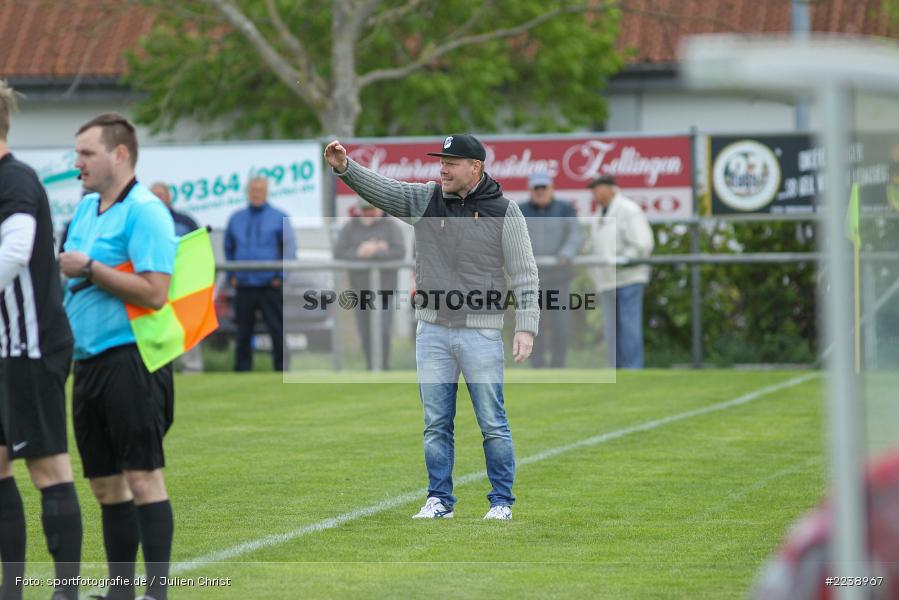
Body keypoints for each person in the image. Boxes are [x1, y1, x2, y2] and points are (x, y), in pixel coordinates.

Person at [324, 134, 539, 521]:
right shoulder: (426, 198)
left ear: (475, 167)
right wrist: (345, 168)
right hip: (432, 331)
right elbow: (384, 190)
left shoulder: (505, 211)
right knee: (436, 424)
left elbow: (525, 274)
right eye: (441, 162)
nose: (443, 169)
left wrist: (526, 326)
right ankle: (439, 500)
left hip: (481, 332)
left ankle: (501, 503)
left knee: (492, 423)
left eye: (451, 163)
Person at [58, 113, 177, 600]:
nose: (78, 163)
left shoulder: (146, 211)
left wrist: (90, 267)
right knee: (106, 485)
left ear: (120, 154)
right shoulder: (87, 208)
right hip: (87, 362)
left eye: (87, 153)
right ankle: (121, 591)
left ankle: (156, 592)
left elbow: (155, 292)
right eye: (77, 153)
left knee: (143, 478)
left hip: (131, 360)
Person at [0, 80, 82, 600]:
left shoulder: (16, 180)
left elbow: (15, 252)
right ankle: (11, 588)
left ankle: (66, 591)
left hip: (32, 346)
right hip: (4, 347)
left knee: (47, 466)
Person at [224, 177, 296, 372]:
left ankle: (282, 369)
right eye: (253, 190)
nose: (256, 193)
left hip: (269, 284)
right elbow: (228, 248)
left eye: (260, 190)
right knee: (243, 332)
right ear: (248, 192)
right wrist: (231, 274)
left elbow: (289, 249)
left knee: (277, 329)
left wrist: (280, 276)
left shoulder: (279, 217)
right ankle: (242, 371)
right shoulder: (236, 218)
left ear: (266, 192)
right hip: (244, 284)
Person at [587, 174, 654, 369]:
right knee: (611, 328)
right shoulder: (599, 214)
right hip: (606, 280)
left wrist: (620, 262)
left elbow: (643, 244)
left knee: (629, 326)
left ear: (610, 189)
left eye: (597, 188)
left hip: (628, 278)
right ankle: (615, 369)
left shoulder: (629, 210)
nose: (594, 193)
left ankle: (632, 369)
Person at [333, 199, 406, 370]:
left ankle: (383, 367)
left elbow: (399, 252)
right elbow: (339, 253)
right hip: (360, 291)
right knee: (365, 332)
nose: (369, 213)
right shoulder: (350, 227)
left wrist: (376, 251)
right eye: (365, 210)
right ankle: (370, 366)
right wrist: (359, 252)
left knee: (382, 330)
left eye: (372, 209)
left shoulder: (391, 227)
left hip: (385, 290)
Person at [519, 172, 581, 369]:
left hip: (559, 278)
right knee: (532, 326)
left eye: (543, 188)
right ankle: (537, 368)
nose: (540, 192)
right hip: (530, 280)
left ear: (551, 189)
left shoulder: (565, 208)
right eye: (536, 188)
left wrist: (566, 253)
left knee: (560, 326)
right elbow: (512, 236)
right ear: (530, 190)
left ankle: (558, 367)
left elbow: (575, 234)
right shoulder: (520, 210)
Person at [150, 182, 204, 373]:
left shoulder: (185, 221)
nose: (158, 198)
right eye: (154, 195)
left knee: (188, 323)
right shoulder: (143, 220)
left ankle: (192, 367)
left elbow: (199, 247)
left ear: (169, 197)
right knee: (158, 325)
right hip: (154, 280)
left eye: (161, 194)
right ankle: (160, 366)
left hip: (183, 281)